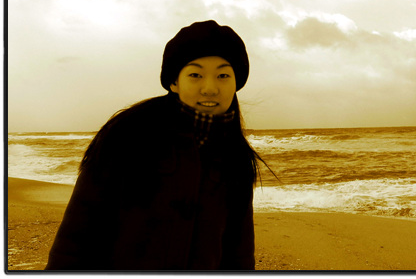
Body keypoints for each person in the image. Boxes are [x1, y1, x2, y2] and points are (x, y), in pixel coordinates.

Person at [45, 20, 263, 271]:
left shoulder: (235, 156)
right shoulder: (128, 135)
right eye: (195, 75)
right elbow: (76, 235)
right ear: (174, 82)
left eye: (223, 75)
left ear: (236, 83)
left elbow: (238, 253)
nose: (210, 88)